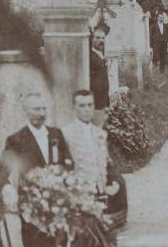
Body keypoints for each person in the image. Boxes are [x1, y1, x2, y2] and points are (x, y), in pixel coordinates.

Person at [0, 92, 73, 247]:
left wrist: (62, 175)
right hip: (32, 211)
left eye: (44, 109)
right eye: (36, 109)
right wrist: (7, 189)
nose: (42, 113)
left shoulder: (56, 134)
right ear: (26, 111)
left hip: (59, 207)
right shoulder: (17, 139)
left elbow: (69, 164)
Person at [62, 90, 127, 240]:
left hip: (101, 197)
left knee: (106, 240)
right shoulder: (65, 134)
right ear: (74, 107)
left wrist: (115, 182)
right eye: (82, 105)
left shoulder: (100, 134)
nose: (86, 109)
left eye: (90, 105)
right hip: (79, 199)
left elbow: (107, 164)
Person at [90, 26, 110, 126]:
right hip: (95, 103)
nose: (101, 40)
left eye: (102, 38)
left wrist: (107, 102)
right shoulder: (90, 56)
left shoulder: (101, 55)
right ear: (92, 39)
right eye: (97, 38)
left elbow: (104, 80)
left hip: (102, 103)